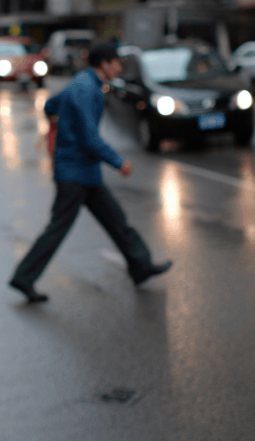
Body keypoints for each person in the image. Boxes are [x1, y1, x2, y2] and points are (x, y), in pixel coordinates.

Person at [9, 44, 172, 303]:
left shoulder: (82, 82)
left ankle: (141, 267)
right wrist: (119, 162)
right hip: (74, 174)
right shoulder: (88, 90)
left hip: (84, 173)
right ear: (105, 64)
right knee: (58, 229)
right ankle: (24, 277)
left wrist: (54, 122)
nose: (119, 67)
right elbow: (89, 138)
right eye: (117, 62)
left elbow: (51, 104)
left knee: (117, 222)